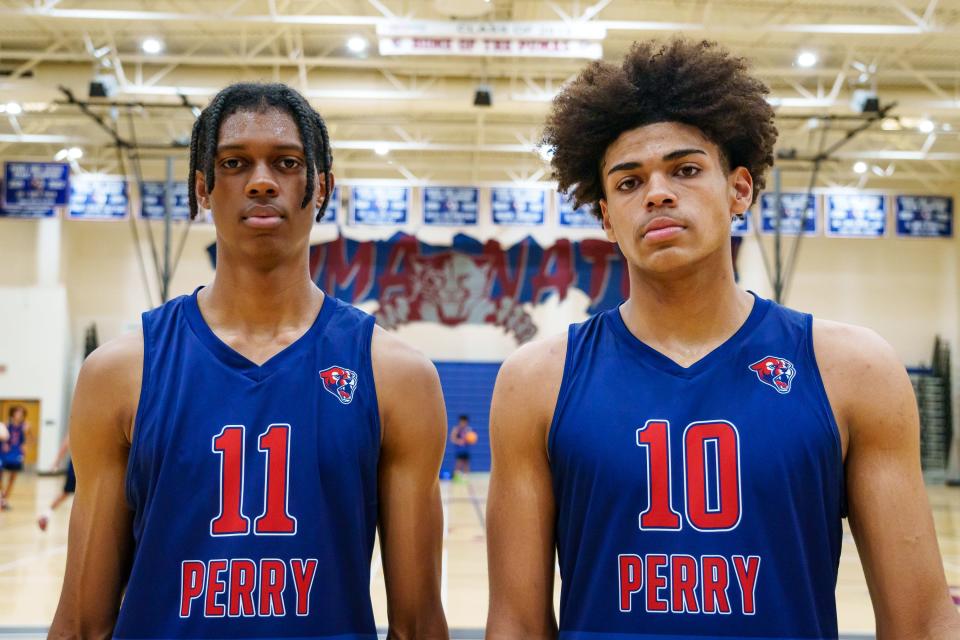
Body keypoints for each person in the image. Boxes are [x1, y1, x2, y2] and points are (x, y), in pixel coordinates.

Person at [486, 40, 960, 639]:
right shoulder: (536, 381)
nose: (657, 192)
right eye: (629, 182)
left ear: (739, 189)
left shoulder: (851, 369)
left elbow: (921, 622)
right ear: (605, 215)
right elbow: (518, 626)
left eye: (685, 170)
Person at [50, 83, 449, 639]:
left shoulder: (396, 376)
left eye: (286, 162)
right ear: (203, 188)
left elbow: (418, 625)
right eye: (234, 163)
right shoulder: (119, 373)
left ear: (322, 187)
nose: (261, 181)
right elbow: (81, 624)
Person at [37, 434, 74, 531]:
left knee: (66, 493)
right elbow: (67, 442)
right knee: (67, 492)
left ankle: (45, 515)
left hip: (82, 465)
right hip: (78, 465)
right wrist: (56, 461)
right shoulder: (79, 424)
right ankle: (46, 515)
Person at [0, 405, 29, 508]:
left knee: (12, 478)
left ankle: (5, 498)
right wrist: (4, 444)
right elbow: (3, 437)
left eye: (21, 413)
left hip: (16, 454)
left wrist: (24, 451)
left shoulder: (24, 427)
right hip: (4, 454)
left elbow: (25, 441)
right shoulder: (6, 425)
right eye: (17, 412)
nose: (19, 415)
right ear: (13, 413)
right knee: (1, 476)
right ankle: (1, 497)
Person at [449, 414, 474, 478]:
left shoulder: (468, 429)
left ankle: (466, 477)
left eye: (465, 422)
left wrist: (470, 440)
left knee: (466, 464)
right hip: (459, 450)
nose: (463, 423)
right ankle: (456, 477)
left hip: (466, 450)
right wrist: (458, 441)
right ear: (459, 421)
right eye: (462, 421)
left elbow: (472, 439)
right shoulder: (456, 429)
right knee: (458, 464)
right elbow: (452, 438)